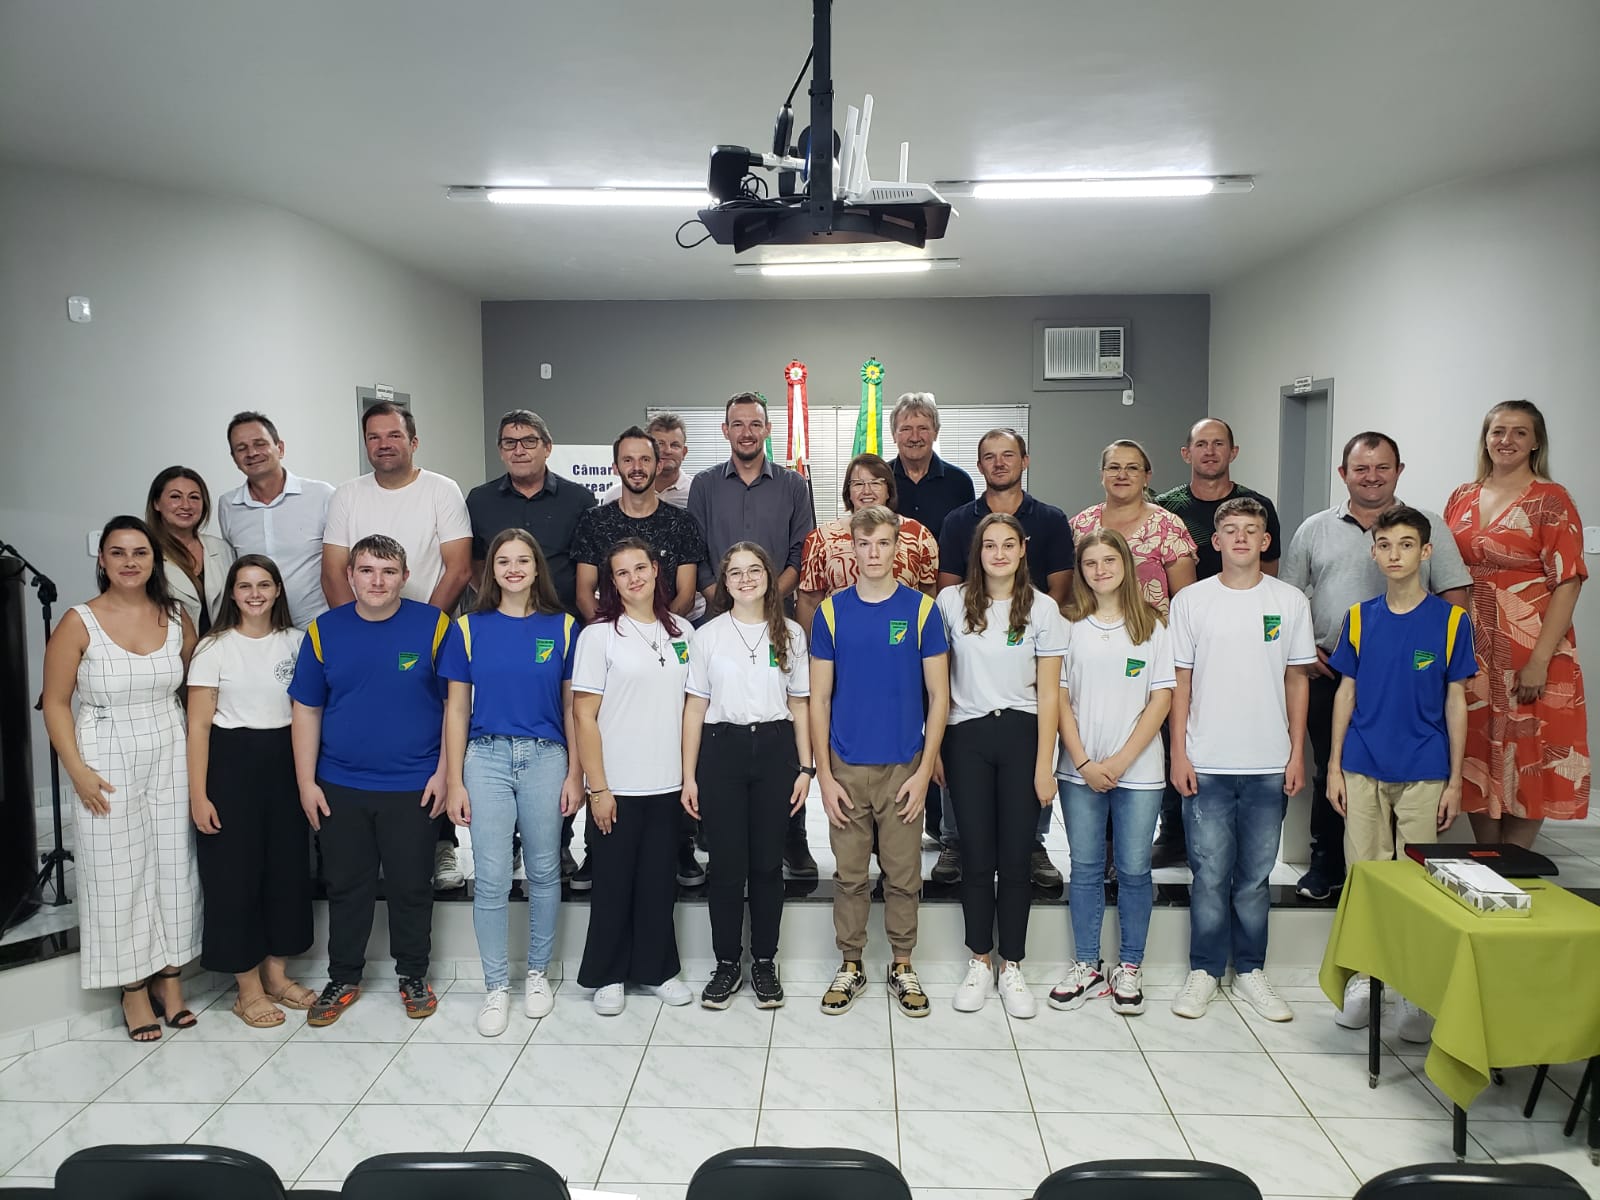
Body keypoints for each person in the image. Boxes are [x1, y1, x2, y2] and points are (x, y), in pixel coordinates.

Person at [1280, 433, 1470, 900]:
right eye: (1360, 468)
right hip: (1333, 668)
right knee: (1334, 773)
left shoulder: (1428, 526)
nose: (1371, 476)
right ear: (1343, 474)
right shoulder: (1316, 529)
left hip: (1415, 680)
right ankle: (1327, 865)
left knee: (1411, 825)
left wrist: (1444, 654)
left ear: (1398, 471)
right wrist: (1306, 651)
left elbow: (1454, 592)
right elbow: (1289, 597)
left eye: (1382, 467)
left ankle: (1406, 905)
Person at [40, 516, 201, 1040]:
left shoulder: (175, 615)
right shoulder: (78, 621)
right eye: (118, 552)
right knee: (115, 871)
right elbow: (56, 703)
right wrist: (77, 771)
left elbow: (196, 688)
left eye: (140, 552)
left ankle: (171, 978)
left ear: (155, 561)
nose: (130, 562)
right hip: (105, 752)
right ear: (102, 560)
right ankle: (132, 987)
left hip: (170, 743)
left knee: (175, 864)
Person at [1323, 506, 1475, 1036]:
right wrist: (1334, 766)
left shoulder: (1451, 622)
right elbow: (1346, 693)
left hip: (1425, 767)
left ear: (1425, 552)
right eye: (1385, 545)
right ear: (1374, 553)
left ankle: (1413, 987)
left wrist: (1455, 780)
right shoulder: (1359, 618)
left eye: (1406, 545)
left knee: (1416, 882)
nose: (1395, 555)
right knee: (1364, 877)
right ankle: (1365, 978)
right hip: (1362, 763)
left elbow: (1456, 701)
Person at [290, 534, 453, 1027]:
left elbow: (455, 706)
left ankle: (413, 975)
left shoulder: (434, 626)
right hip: (339, 784)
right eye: (366, 570)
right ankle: (343, 977)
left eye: (387, 571)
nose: (376, 581)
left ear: (405, 577)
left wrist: (446, 772)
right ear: (350, 576)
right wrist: (306, 782)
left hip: (414, 784)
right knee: (347, 886)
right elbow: (306, 709)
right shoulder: (324, 631)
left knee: (411, 886)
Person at [1168, 497, 1315, 1024]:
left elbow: (1297, 680)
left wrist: (1296, 753)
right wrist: (1179, 752)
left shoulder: (1289, 601)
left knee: (1254, 877)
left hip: (1268, 763)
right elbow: (1179, 682)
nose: (1240, 539)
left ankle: (1250, 969)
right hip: (1207, 760)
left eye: (1251, 530)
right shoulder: (1192, 601)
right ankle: (1205, 970)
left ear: (1265, 540)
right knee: (1209, 874)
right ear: (1216, 541)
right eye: (1230, 530)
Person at [324, 400, 473, 889]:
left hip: (429, 636)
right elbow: (335, 571)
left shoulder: (441, 490)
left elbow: (458, 568)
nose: (383, 444)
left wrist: (421, 628)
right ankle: (376, 850)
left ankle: (440, 844)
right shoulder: (347, 495)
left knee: (433, 732)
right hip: (360, 633)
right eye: (374, 436)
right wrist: (358, 629)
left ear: (413, 441)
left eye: (393, 435)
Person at [440, 529, 583, 1036]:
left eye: (523, 560)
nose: (514, 569)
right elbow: (456, 709)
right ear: (491, 570)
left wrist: (576, 772)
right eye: (504, 561)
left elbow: (573, 707)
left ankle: (537, 974)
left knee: (544, 870)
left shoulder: (564, 626)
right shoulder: (468, 628)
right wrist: (454, 780)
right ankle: (496, 985)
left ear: (537, 567)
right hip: (486, 758)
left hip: (546, 758)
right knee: (493, 876)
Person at [810, 505, 950, 1019]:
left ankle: (902, 963)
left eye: (883, 543)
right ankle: (850, 963)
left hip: (903, 768)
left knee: (903, 873)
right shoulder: (830, 613)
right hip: (846, 767)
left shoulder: (922, 611)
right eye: (864, 543)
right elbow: (818, 700)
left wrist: (924, 770)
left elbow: (939, 696)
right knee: (849, 874)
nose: (873, 553)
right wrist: (824, 777)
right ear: (853, 547)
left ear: (897, 548)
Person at [1444, 400, 1589, 847]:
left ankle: (1515, 861)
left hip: (1530, 645)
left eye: (1519, 432)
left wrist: (1540, 661)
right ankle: (1488, 858)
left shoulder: (1551, 499)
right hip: (1472, 644)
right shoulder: (1462, 495)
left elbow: (1568, 581)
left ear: (1536, 442)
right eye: (1498, 431)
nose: (1506, 440)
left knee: (1528, 751)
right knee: (1475, 749)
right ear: (1485, 439)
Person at [688, 391, 818, 879]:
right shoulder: (704, 485)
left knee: (781, 718)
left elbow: (800, 552)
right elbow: (698, 552)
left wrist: (763, 599)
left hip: (776, 618)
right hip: (717, 615)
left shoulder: (792, 485)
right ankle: (712, 825)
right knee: (719, 711)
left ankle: (793, 836)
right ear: (725, 431)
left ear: (768, 429)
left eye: (755, 424)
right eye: (737, 424)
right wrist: (724, 600)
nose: (746, 432)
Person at [938, 514, 1063, 1018]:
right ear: (978, 551)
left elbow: (1050, 694)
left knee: (1015, 857)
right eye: (990, 545)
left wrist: (1044, 764)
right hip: (965, 735)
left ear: (1022, 549)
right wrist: (935, 748)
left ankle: (1012, 963)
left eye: (1009, 544)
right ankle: (979, 959)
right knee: (975, 854)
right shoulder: (950, 603)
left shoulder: (1044, 608)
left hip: (1021, 734)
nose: (999, 554)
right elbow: (937, 683)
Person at [572, 428, 709, 888]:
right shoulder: (595, 521)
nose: (637, 467)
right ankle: (597, 848)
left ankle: (681, 848)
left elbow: (686, 592)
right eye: (627, 460)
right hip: (614, 639)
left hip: (665, 637)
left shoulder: (681, 522)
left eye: (645, 459)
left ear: (658, 464)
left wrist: (657, 629)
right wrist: (617, 630)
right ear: (616, 467)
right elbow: (585, 591)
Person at [938, 427, 1074, 888]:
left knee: (1028, 772)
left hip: (1027, 657)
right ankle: (955, 840)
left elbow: (1060, 585)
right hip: (969, 696)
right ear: (979, 464)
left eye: (1008, 455)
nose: (999, 463)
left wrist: (1024, 614)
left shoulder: (1050, 519)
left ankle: (1033, 843)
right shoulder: (958, 521)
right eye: (990, 456)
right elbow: (949, 589)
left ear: (1025, 460)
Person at [186, 554, 316, 1027]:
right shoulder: (214, 647)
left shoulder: (298, 642)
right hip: (230, 765)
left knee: (286, 871)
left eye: (264, 584)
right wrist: (198, 795)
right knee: (234, 876)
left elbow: (310, 711)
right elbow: (199, 727)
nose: (255, 594)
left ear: (278, 589)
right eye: (245, 586)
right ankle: (247, 989)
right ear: (232, 594)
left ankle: (277, 976)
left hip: (286, 760)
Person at [682, 542, 812, 1010]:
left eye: (754, 570)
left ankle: (763, 961)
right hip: (722, 750)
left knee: (766, 864)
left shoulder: (791, 633)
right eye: (735, 572)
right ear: (725, 582)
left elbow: (800, 704)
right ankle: (726, 963)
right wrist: (689, 775)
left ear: (769, 576)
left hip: (776, 749)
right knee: (726, 864)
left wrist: (806, 767)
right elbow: (695, 706)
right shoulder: (708, 636)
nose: (745, 579)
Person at [1051, 529, 1175, 1018]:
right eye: (1090, 563)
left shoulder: (1153, 626)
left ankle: (1130, 967)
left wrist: (1120, 762)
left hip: (1138, 772)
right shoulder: (1067, 625)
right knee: (1084, 868)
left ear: (1126, 565)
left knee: (1134, 869)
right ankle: (1086, 964)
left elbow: (1160, 699)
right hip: (1078, 769)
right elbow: (1058, 698)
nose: (1100, 570)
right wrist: (1083, 761)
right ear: (1080, 571)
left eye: (1109, 561)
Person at [1151, 418, 1284, 869]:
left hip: (1244, 636)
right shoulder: (1167, 508)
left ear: (1233, 451)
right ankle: (1174, 834)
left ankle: (1237, 837)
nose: (1210, 451)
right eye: (1201, 444)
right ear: (1186, 453)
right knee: (1178, 731)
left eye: (1219, 444)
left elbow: (1271, 576)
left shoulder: (1257, 506)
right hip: (1185, 631)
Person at [571, 538, 696, 1015]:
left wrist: (689, 777)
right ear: (612, 582)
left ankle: (657, 970)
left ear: (656, 569)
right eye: (622, 573)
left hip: (666, 782)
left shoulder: (683, 632)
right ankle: (608, 974)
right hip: (617, 785)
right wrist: (597, 788)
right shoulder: (599, 636)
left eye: (640, 568)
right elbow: (584, 716)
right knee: (613, 883)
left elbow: (692, 708)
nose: (634, 578)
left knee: (659, 883)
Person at [887, 392, 976, 861]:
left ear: (936, 432)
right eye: (906, 427)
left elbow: (965, 544)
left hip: (944, 609)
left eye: (923, 427)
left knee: (942, 707)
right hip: (891, 616)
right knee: (908, 710)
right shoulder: (884, 479)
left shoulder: (959, 482)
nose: (915, 435)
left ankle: (946, 828)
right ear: (894, 433)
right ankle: (912, 816)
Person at [468, 409, 596, 618]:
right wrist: (495, 599)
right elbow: (474, 562)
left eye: (529, 442)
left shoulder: (579, 500)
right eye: (510, 443)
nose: (519, 451)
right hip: (501, 620)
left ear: (547, 448)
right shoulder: (480, 500)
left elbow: (589, 568)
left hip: (565, 620)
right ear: (501, 451)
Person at [217, 411, 336, 628]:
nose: (252, 453)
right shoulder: (228, 505)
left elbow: (341, 566)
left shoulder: (321, 495)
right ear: (234, 458)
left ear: (280, 448)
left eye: (260, 444)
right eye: (241, 448)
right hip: (261, 630)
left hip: (318, 625)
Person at [796, 452, 939, 635]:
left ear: (889, 490)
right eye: (858, 484)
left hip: (901, 638)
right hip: (839, 640)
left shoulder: (918, 535)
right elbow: (809, 602)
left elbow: (928, 594)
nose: (867, 491)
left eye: (876, 483)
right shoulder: (820, 539)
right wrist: (808, 648)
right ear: (848, 492)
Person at [1069, 439, 1197, 615]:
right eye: (1114, 467)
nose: (1122, 475)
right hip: (1089, 628)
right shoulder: (1079, 525)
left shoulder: (1168, 526)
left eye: (1132, 468)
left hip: (1151, 629)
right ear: (1102, 475)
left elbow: (1186, 602)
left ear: (1146, 477)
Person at [146, 466, 233, 635]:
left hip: (220, 647)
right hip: (171, 648)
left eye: (194, 497)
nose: (186, 505)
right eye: (175, 497)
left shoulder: (221, 549)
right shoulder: (145, 552)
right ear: (156, 503)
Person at [602, 412, 695, 508]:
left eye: (675, 445)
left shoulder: (697, 492)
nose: (667, 450)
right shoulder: (615, 495)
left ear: (684, 452)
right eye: (660, 444)